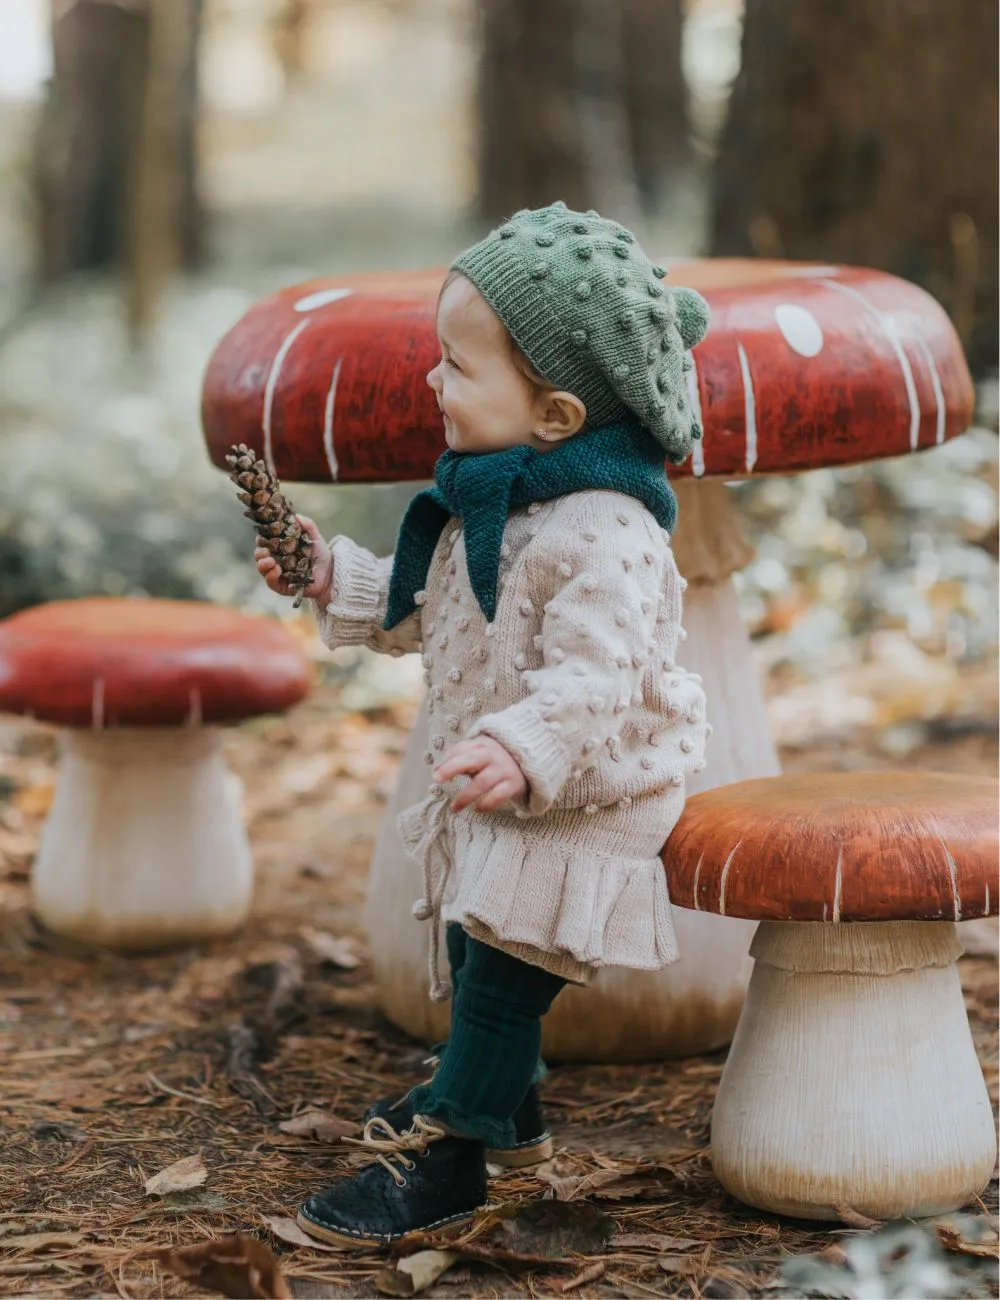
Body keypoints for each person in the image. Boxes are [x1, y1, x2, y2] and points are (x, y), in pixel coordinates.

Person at [256, 202, 710, 1248]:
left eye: (457, 367)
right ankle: (514, 1129)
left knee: (501, 986)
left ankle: (446, 1164)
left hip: (592, 791)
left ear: (551, 412)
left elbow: (598, 681)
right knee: (478, 959)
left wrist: (525, 745)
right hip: (515, 782)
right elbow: (431, 614)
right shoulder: (495, 502)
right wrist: (332, 576)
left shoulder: (606, 530)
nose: (432, 382)